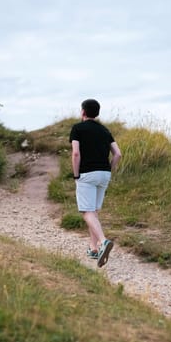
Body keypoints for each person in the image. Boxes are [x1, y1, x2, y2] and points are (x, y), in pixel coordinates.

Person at [69, 99, 122, 267]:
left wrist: (76, 174)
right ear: (97, 113)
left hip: (87, 174)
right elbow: (118, 154)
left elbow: (76, 154)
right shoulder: (105, 130)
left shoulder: (77, 129)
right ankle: (93, 248)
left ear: (83, 112)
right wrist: (108, 170)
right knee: (94, 211)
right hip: (104, 173)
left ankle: (103, 241)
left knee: (86, 212)